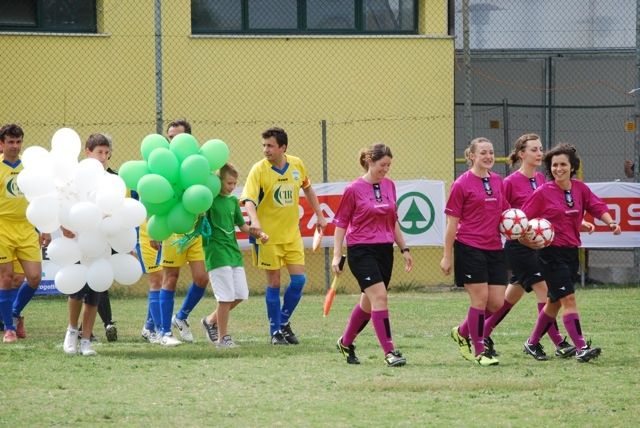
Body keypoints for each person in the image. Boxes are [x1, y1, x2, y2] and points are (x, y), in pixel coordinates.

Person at [521, 143, 621, 363]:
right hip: (550, 253)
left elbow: (597, 206)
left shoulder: (580, 188)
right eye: (554, 165)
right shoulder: (543, 192)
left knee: (554, 302)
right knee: (569, 299)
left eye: (563, 164)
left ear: (572, 166)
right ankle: (581, 346)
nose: (558, 168)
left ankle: (532, 342)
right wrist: (527, 237)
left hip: (570, 252)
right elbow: (522, 220)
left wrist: (611, 222)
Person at [481, 134, 575, 360]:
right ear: (522, 154)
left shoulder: (543, 179)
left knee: (511, 296)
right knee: (546, 292)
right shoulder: (510, 182)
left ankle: (481, 332)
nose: (539, 153)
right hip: (519, 247)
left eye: (541, 149)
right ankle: (558, 342)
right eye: (534, 149)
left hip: (539, 247)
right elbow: (502, 215)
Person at [240, 126, 327, 345]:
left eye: (270, 146)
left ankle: (282, 322)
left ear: (283, 147)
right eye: (264, 145)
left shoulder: (296, 164)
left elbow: (307, 188)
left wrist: (319, 215)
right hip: (267, 238)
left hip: (292, 236)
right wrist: (256, 223)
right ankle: (275, 333)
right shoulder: (258, 170)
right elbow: (248, 200)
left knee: (299, 280)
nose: (265, 150)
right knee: (274, 283)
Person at [332, 143, 413, 367]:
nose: (385, 169)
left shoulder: (390, 186)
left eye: (388, 165)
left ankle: (345, 343)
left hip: (384, 250)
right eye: (382, 165)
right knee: (380, 297)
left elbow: (393, 220)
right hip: (361, 250)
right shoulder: (353, 189)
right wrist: (337, 255)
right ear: (369, 161)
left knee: (369, 304)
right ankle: (390, 351)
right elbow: (341, 224)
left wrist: (404, 248)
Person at [440, 137, 507, 366]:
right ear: (471, 156)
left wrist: (523, 229)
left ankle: (461, 332)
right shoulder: (461, 184)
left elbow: (505, 215)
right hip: (469, 247)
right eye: (483, 153)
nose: (488, 157)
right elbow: (452, 224)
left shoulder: (498, 181)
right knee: (479, 299)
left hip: (495, 248)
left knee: (496, 303)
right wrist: (447, 255)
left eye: (491, 152)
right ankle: (480, 352)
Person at [62, 133, 120, 355]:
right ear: (87, 152)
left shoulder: (113, 179)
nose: (103, 157)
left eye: (106, 153)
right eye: (99, 152)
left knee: (95, 289)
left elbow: (118, 212)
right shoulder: (75, 178)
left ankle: (86, 339)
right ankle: (71, 331)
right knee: (77, 289)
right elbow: (63, 204)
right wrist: (63, 227)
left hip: (101, 241)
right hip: (78, 241)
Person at [201, 163, 268, 348]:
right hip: (216, 253)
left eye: (234, 183)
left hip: (233, 252)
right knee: (225, 298)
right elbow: (198, 220)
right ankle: (223, 338)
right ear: (218, 181)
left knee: (240, 294)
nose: (232, 187)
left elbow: (242, 225)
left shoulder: (232, 201)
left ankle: (210, 321)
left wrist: (258, 233)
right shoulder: (208, 200)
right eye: (229, 183)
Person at [156, 119, 210, 347]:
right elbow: (154, 198)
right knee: (170, 279)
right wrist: (155, 232)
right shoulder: (162, 163)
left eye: (177, 137)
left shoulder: (198, 162)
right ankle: (163, 332)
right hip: (171, 230)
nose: (173, 141)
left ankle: (181, 316)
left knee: (202, 278)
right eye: (170, 137)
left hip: (195, 230)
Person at [0, 124, 51, 343]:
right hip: (2, 227)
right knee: (6, 278)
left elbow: (42, 198)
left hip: (27, 227)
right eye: (10, 142)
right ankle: (9, 329)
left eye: (18, 141)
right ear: (2, 143)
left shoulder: (30, 169)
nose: (15, 146)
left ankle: (14, 311)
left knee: (33, 277)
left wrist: (46, 227)